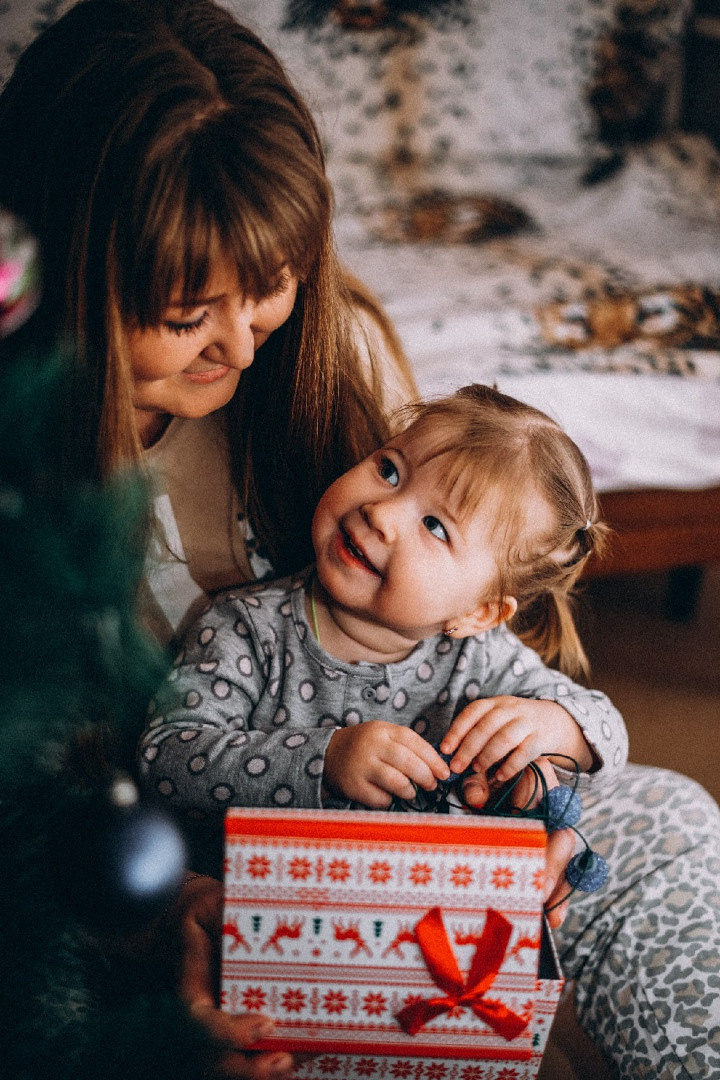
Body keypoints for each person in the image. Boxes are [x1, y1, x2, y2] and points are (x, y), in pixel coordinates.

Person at [0, 2, 718, 1078]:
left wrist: (551, 776)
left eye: (269, 286)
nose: (241, 344)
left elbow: (506, 655)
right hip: (109, 872)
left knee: (666, 820)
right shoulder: (30, 462)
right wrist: (162, 908)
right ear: (62, 269)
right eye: (187, 310)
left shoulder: (342, 365)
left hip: (396, 881)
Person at [138, 384, 627, 832]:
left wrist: (557, 727)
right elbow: (165, 759)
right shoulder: (245, 628)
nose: (382, 512)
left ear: (476, 614)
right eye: (389, 470)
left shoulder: (479, 655)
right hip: (275, 901)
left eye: (435, 526)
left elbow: (608, 731)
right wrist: (324, 761)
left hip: (427, 900)